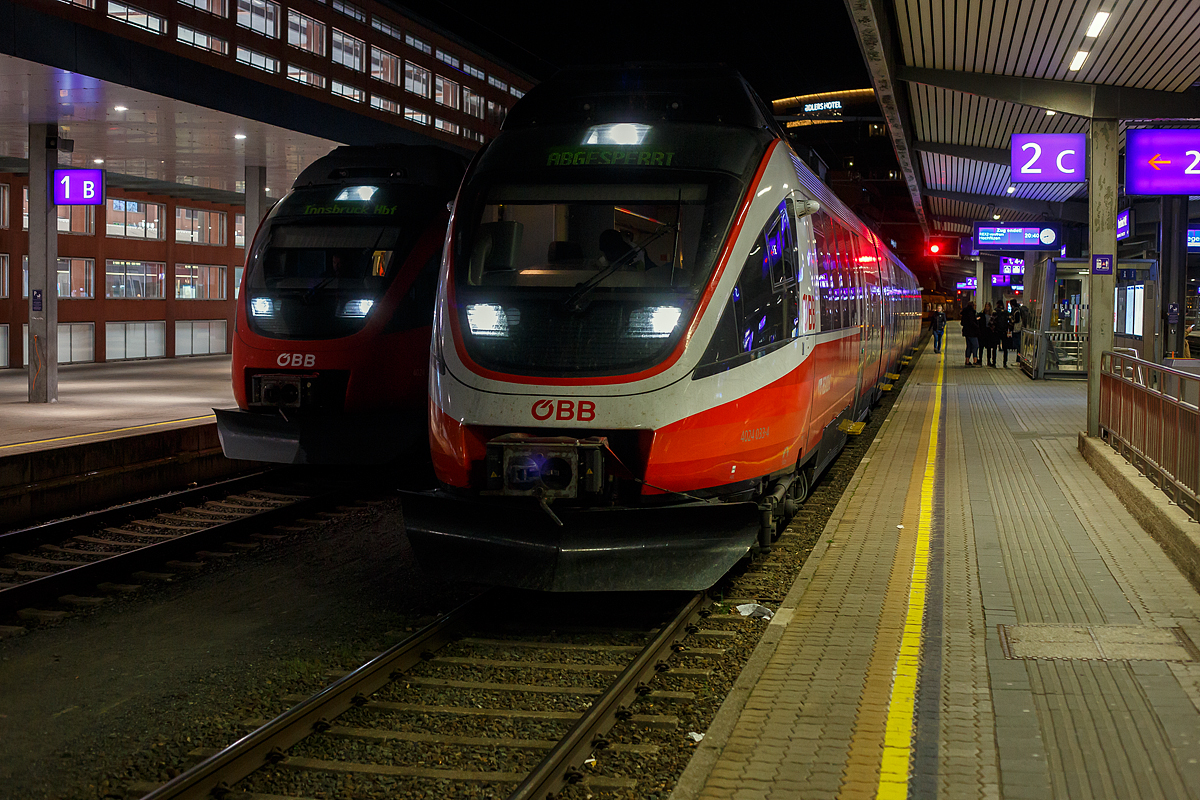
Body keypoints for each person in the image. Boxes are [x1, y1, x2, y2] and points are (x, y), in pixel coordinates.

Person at [992, 301, 1011, 368]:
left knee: (994, 347)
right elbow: (1010, 321)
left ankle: (994, 362)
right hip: (1004, 332)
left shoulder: (995, 312)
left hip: (996, 332)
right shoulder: (1006, 312)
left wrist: (993, 329)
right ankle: (1005, 362)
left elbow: (992, 322)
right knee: (1005, 348)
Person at [961, 301, 980, 366]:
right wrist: (977, 325)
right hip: (972, 332)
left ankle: (967, 361)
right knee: (976, 345)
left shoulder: (965, 313)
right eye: (975, 305)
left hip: (966, 332)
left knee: (968, 346)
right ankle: (975, 360)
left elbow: (962, 323)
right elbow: (972, 322)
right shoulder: (971, 313)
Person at [981, 302, 996, 367]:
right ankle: (980, 360)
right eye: (986, 306)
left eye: (988, 306)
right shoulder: (982, 314)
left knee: (989, 347)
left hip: (990, 332)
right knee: (981, 346)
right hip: (984, 331)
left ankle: (988, 360)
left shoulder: (992, 314)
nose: (987, 308)